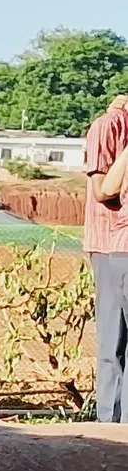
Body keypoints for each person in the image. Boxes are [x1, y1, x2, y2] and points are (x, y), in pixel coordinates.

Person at [91, 95, 128, 420]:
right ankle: (110, 423)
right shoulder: (109, 126)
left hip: (116, 246)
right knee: (112, 342)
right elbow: (101, 191)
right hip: (113, 244)